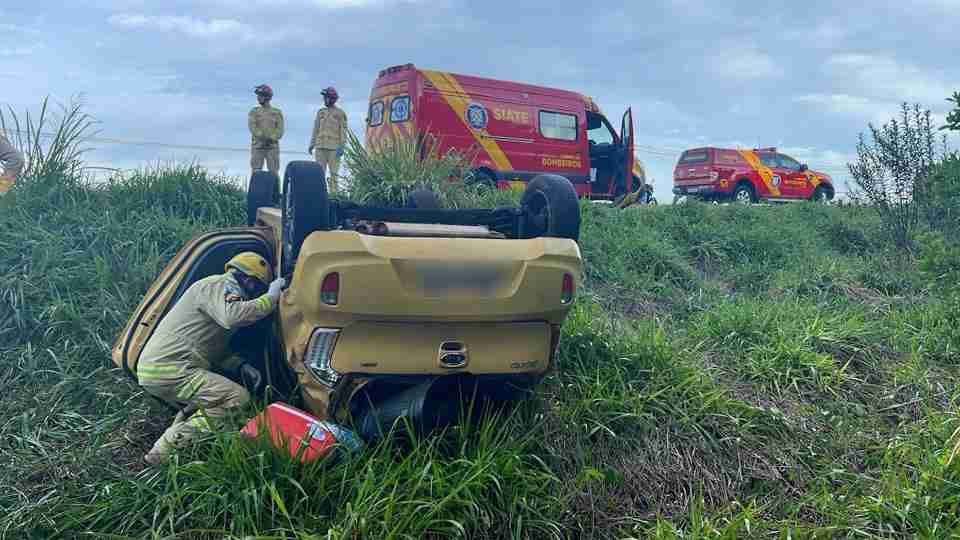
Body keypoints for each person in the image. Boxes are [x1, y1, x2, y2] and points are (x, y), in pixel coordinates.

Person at [137, 252, 286, 465]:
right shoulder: (220, 285)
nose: (255, 293)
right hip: (169, 368)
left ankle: (183, 430)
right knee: (235, 399)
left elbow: (211, 346)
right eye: (258, 287)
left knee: (218, 404)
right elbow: (232, 316)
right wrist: (271, 297)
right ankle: (163, 452)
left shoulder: (214, 293)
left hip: (163, 368)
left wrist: (240, 365)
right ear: (248, 280)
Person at [308, 86, 348, 194]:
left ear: (333, 99)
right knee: (319, 173)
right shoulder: (320, 112)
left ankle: (334, 195)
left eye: (327, 98)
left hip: (334, 148)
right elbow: (316, 129)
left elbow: (343, 131)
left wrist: (342, 146)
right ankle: (318, 194)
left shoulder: (340, 113)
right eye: (324, 98)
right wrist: (312, 144)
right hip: (320, 146)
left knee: (334, 174)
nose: (325, 100)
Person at [249, 85, 284, 176]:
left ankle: (275, 190)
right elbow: (252, 127)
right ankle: (255, 190)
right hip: (258, 146)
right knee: (255, 172)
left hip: (272, 147)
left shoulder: (277, 112)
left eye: (261, 95)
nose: (258, 98)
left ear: (267, 97)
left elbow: (280, 130)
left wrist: (271, 138)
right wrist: (262, 137)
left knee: (274, 173)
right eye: (258, 96)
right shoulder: (254, 112)